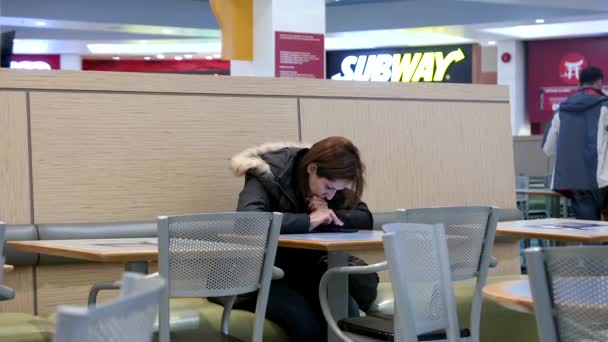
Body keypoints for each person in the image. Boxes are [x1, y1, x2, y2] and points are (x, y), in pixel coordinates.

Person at [230, 136, 375, 342]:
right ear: (312, 169)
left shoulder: (329, 181)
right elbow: (248, 222)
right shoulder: (267, 172)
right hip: (258, 277)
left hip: (305, 275)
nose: (332, 196)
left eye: (338, 190)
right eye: (329, 188)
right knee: (305, 322)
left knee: (345, 313)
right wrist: (308, 220)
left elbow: (364, 217)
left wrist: (329, 215)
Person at [543, 66, 608, 220]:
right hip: (604, 178)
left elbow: (548, 149)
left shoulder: (561, 110)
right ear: (599, 83)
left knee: (588, 235)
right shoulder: (605, 106)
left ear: (580, 83)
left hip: (576, 182)